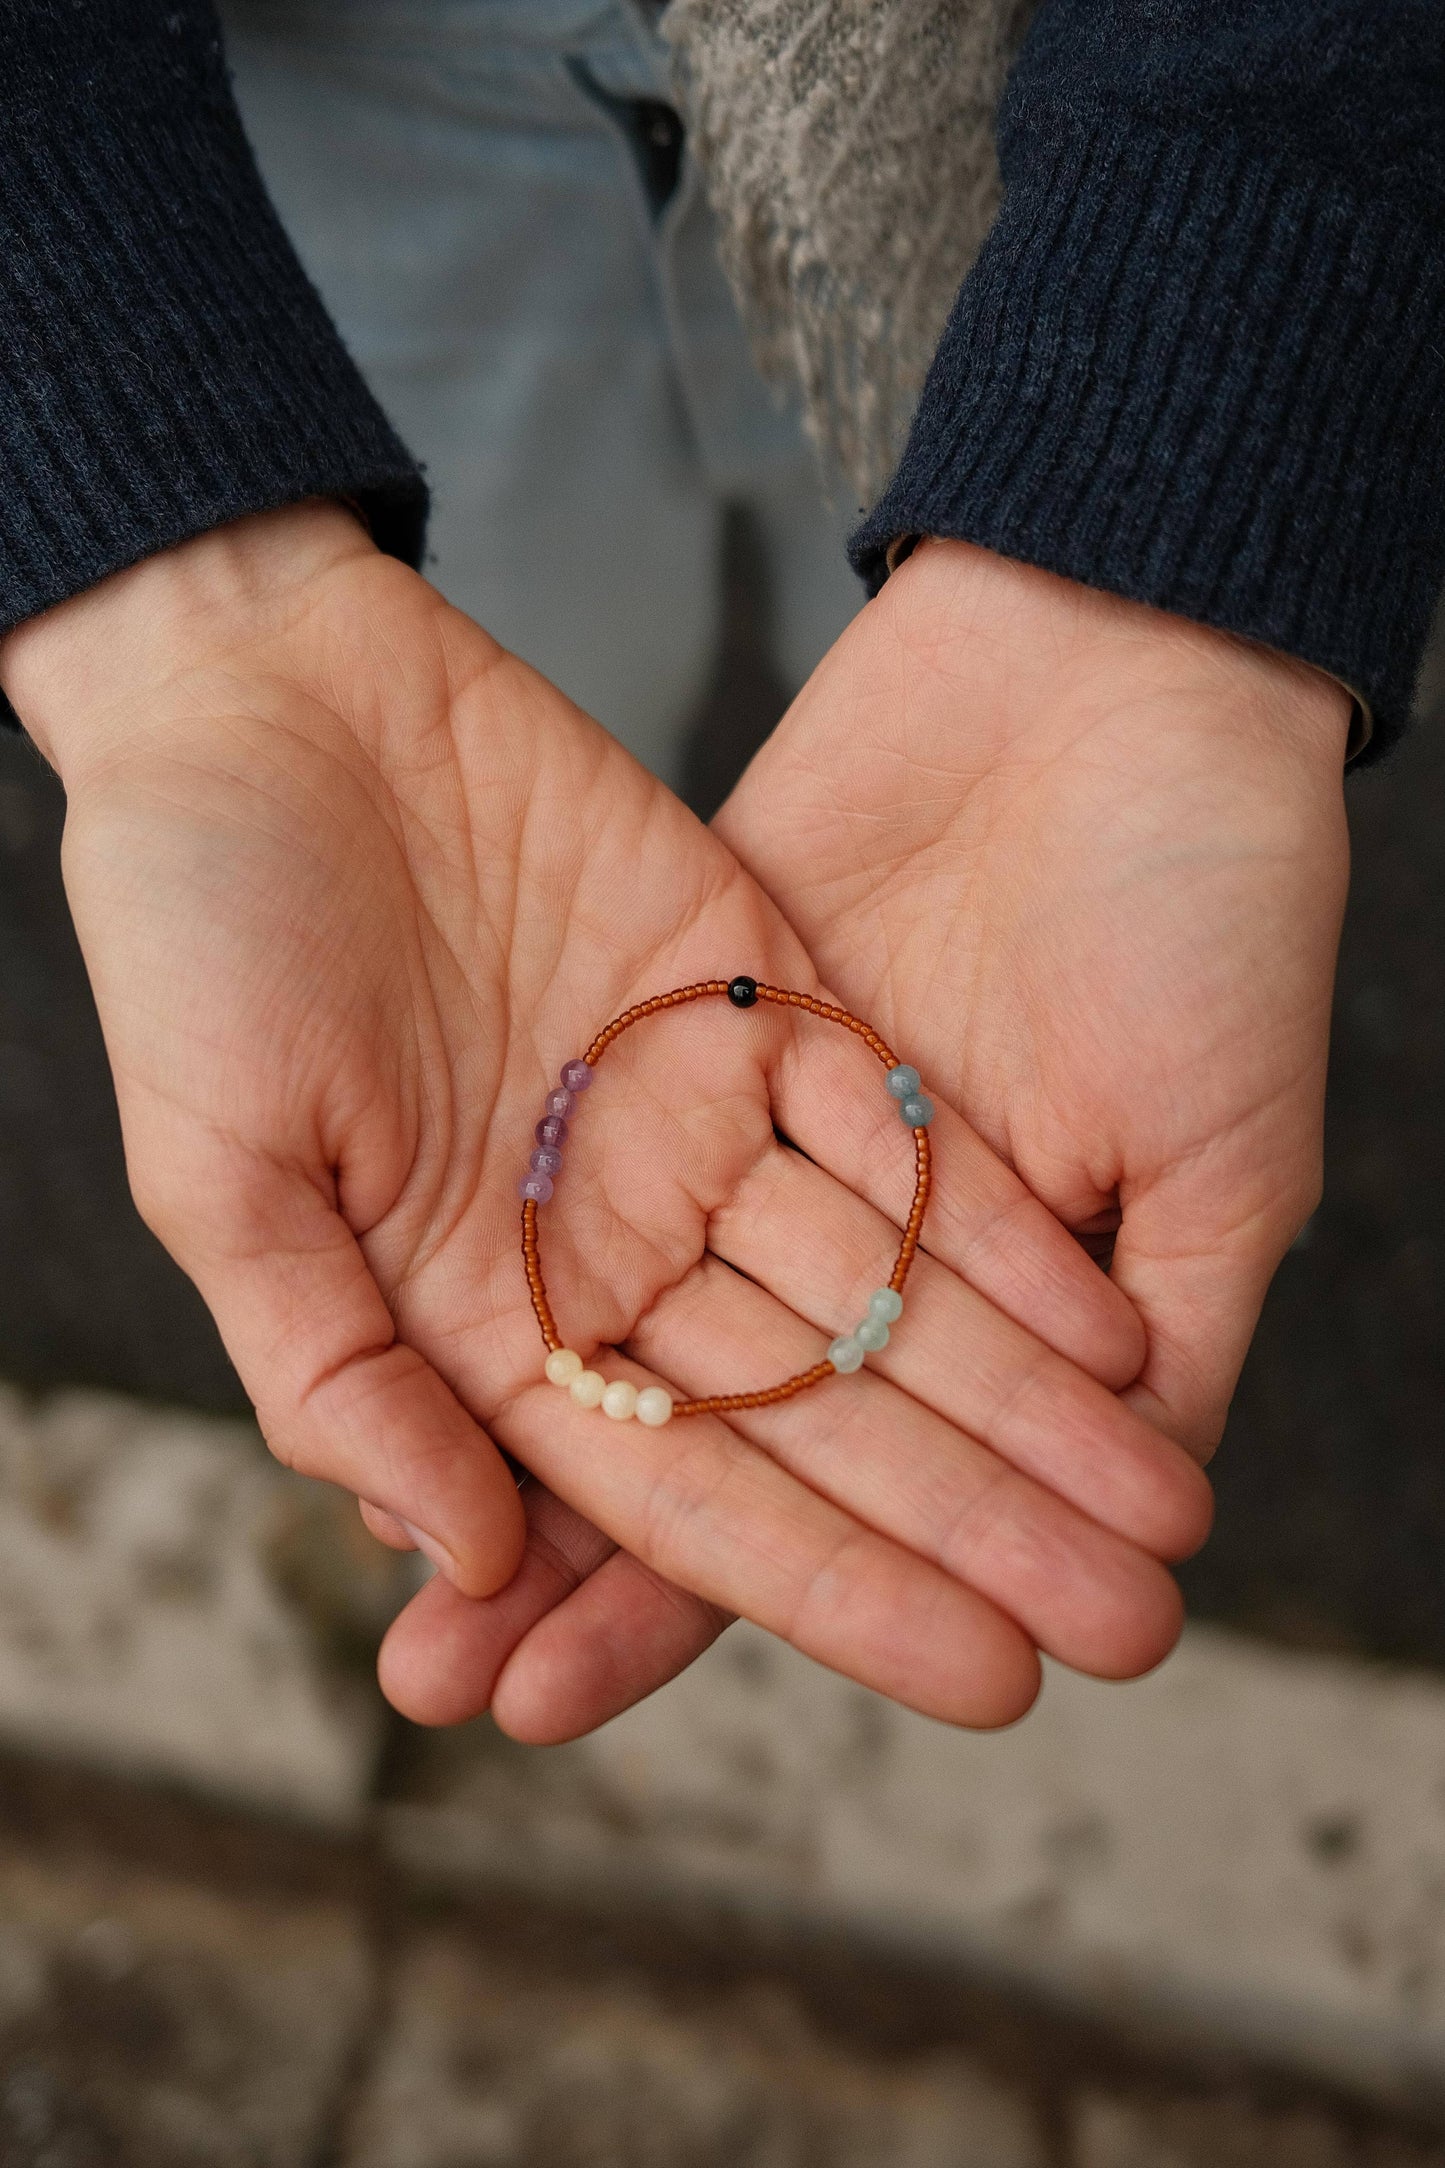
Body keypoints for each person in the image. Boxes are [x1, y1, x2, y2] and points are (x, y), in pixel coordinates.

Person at [0, 0, 1439, 1741]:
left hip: (999, 156)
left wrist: (1181, 481)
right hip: (302, 144)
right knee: (499, 653)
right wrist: (168, 577)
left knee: (887, 569)